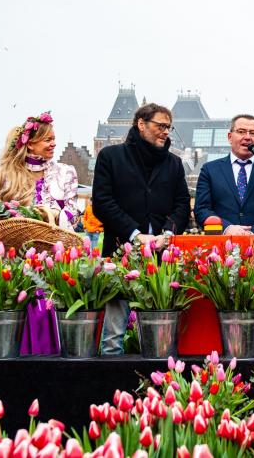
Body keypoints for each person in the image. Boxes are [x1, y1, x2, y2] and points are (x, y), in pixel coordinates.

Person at [92, 102, 190, 356]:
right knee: (114, 334)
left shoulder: (174, 163)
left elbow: (182, 204)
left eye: (169, 127)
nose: (166, 131)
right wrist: (134, 234)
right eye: (160, 126)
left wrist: (167, 234)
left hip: (162, 255)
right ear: (141, 124)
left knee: (160, 333)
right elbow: (102, 203)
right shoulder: (111, 157)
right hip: (120, 253)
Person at [0, 111, 80, 354]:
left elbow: (73, 212)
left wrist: (53, 215)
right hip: (14, 260)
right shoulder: (4, 177)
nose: (53, 143)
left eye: (54, 138)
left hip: (53, 259)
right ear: (29, 143)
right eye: (47, 139)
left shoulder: (65, 173)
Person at [194, 114, 254, 352]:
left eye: (253, 133)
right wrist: (229, 229)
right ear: (229, 136)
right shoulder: (210, 170)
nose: (248, 137)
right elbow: (202, 210)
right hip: (221, 259)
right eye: (242, 131)